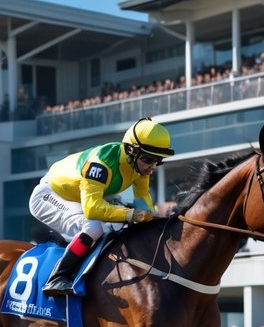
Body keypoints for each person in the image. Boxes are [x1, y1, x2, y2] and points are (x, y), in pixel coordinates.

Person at [29, 117, 172, 295]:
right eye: (148, 159)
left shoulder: (138, 166)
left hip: (77, 197)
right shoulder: (101, 164)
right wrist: (130, 215)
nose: (152, 166)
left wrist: (156, 221)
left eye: (158, 160)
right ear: (130, 151)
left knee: (115, 225)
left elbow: (142, 198)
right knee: (94, 228)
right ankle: (58, 277)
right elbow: (92, 209)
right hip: (49, 195)